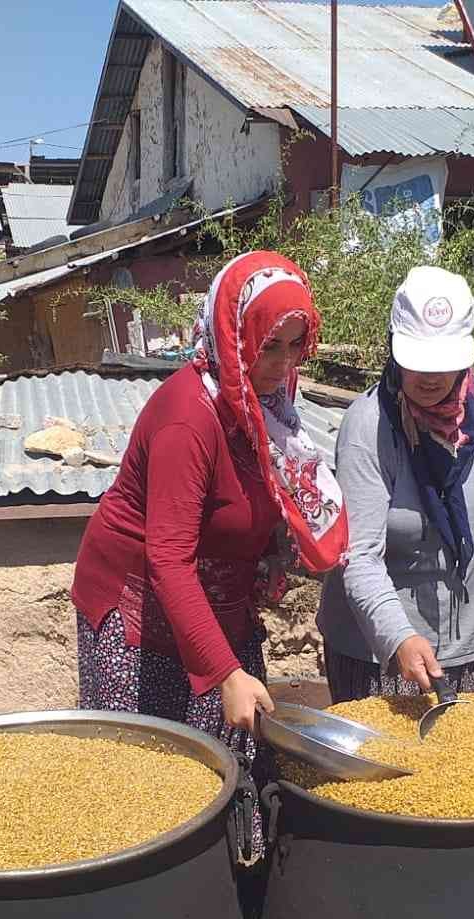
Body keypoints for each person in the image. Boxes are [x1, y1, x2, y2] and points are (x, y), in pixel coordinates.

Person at [70, 251, 347, 845]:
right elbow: (168, 559)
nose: (280, 364)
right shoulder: (187, 418)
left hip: (218, 596)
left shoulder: (267, 410)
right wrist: (224, 670)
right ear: (232, 335)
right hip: (138, 611)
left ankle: (229, 883)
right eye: (267, 346)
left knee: (234, 755)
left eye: (295, 347)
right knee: (153, 777)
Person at [318, 266, 474, 703]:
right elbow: (357, 554)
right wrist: (398, 635)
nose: (430, 378)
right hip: (384, 656)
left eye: (444, 364)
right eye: (417, 362)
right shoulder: (369, 426)